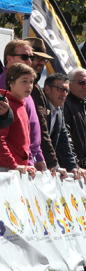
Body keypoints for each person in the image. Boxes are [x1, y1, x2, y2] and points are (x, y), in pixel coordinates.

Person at [1, 40, 46, 172]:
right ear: (9, 58)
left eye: (32, 57)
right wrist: (14, 165)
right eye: (25, 57)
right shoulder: (4, 95)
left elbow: (32, 132)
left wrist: (37, 157)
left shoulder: (25, 95)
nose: (29, 61)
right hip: (7, 170)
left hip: (25, 166)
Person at [23, 37, 59, 174]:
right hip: (23, 162)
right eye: (38, 58)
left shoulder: (36, 87)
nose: (42, 63)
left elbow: (41, 128)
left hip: (34, 161)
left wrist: (49, 160)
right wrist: (50, 161)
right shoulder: (25, 87)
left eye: (45, 59)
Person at [43, 73, 84, 179]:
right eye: (60, 89)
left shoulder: (59, 110)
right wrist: (53, 165)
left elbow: (63, 140)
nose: (64, 94)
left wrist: (72, 167)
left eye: (67, 90)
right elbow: (40, 139)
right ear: (47, 89)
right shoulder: (40, 108)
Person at [0, 64, 38, 176]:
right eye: (24, 81)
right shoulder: (5, 106)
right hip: (5, 171)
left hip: (18, 169)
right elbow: (0, 140)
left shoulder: (22, 104)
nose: (29, 86)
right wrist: (14, 165)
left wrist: (26, 164)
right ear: (10, 83)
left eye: (31, 82)